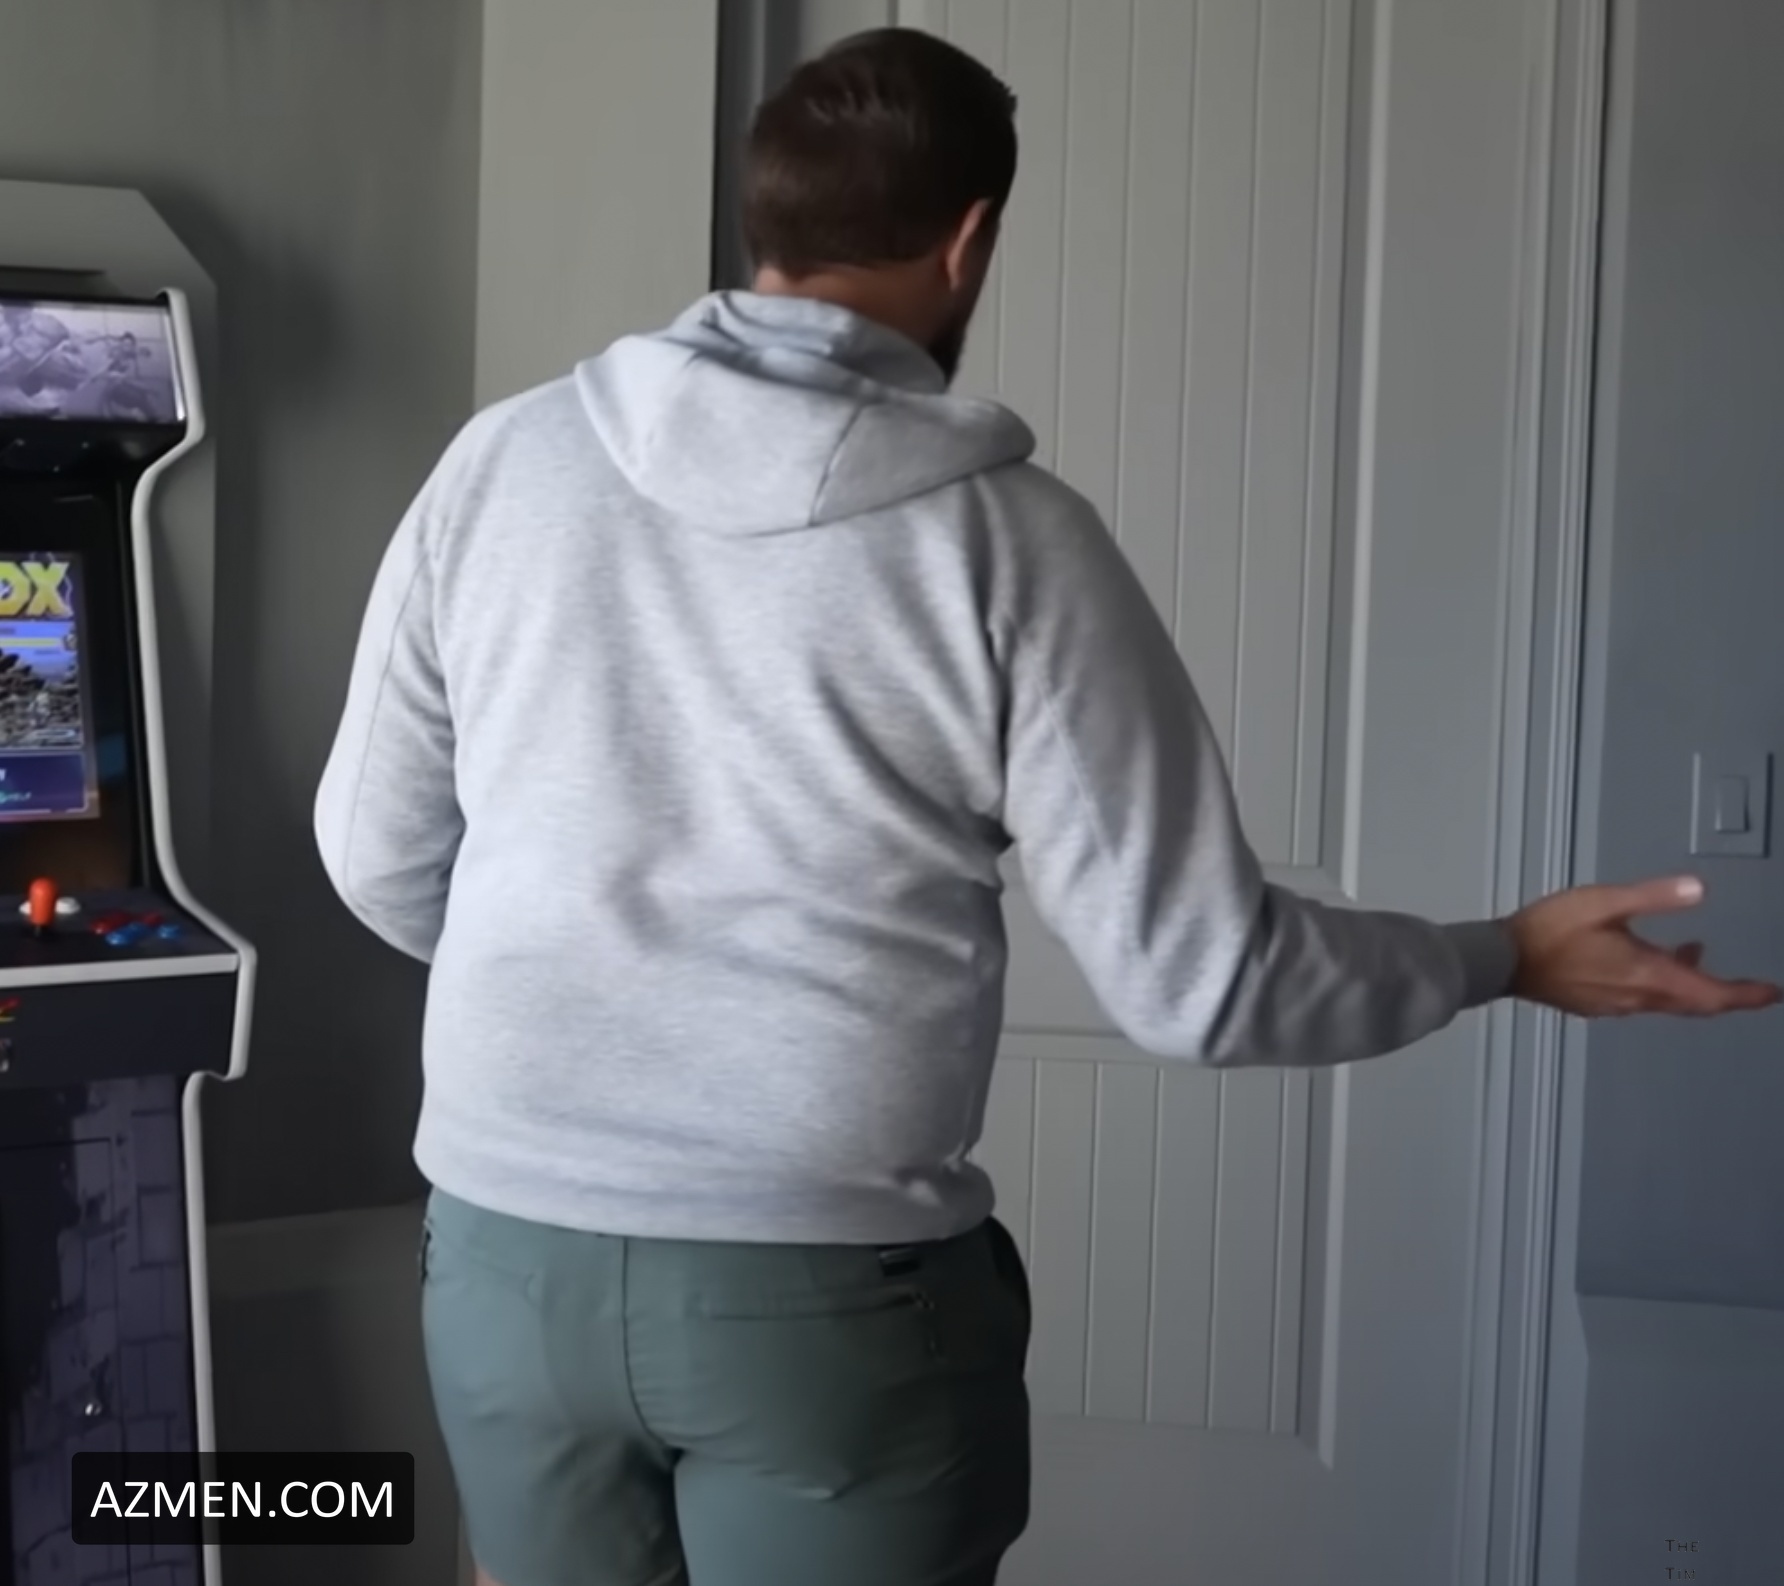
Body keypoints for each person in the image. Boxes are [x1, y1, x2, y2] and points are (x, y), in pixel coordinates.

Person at [313, 27, 1779, 1586]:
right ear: (970, 241)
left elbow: (375, 856)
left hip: (502, 1258)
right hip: (821, 1299)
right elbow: (1204, 983)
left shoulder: (500, 467)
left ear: (764, 225)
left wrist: (590, 995)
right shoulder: (1009, 545)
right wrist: (1506, 954)